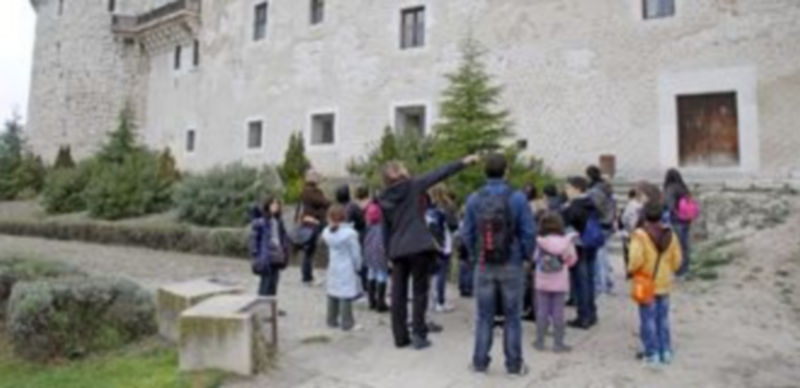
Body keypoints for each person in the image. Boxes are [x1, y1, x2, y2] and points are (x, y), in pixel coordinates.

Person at [379, 154, 479, 350]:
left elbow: (385, 229)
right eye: (402, 167)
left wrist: (388, 254)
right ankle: (419, 334)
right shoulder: (412, 186)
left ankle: (400, 337)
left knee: (398, 294)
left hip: (398, 249)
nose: (406, 169)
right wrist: (463, 161)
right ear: (396, 173)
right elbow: (439, 173)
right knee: (419, 292)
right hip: (418, 245)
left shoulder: (383, 198)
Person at [463, 153, 536, 375]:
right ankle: (514, 366)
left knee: (484, 316)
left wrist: (475, 256)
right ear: (507, 171)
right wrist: (525, 256)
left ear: (484, 172)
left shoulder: (474, 198)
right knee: (513, 317)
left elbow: (466, 233)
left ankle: (479, 363)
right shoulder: (518, 198)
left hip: (484, 263)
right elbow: (529, 232)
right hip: (511, 263)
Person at [627, 201, 683, 365]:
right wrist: (669, 268)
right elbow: (677, 260)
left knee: (648, 319)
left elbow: (636, 259)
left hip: (645, 281)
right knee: (663, 318)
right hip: (664, 282)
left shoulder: (640, 235)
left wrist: (631, 269)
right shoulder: (670, 234)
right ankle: (665, 350)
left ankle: (652, 352)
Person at [532, 212, 578, 353]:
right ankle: (558, 343)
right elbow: (573, 259)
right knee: (559, 312)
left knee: (542, 311)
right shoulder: (566, 242)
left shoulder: (540, 242)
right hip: (560, 280)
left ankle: (540, 341)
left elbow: (534, 258)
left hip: (543, 280)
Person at [561, 176, 599, 329]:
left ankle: (583, 316)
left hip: (578, 246)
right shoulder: (591, 202)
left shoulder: (574, 206)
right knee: (589, 280)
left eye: (568, 188)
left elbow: (565, 222)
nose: (566, 191)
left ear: (577, 189)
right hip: (592, 244)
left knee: (581, 282)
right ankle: (592, 312)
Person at [322, 205, 364, 331]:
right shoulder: (350, 234)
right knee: (346, 293)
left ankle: (331, 319)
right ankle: (347, 322)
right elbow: (355, 253)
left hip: (333, 265)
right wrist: (358, 266)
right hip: (346, 266)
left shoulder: (327, 233)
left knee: (332, 291)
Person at [427, 185, 459, 313]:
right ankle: (440, 302)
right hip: (443, 244)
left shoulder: (427, 208)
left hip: (428, 244)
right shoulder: (446, 208)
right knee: (441, 274)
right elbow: (453, 226)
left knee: (428, 275)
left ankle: (430, 301)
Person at [249, 197, 290, 298]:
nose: (275, 206)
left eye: (277, 204)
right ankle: (262, 306)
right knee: (265, 283)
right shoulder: (261, 222)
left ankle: (271, 306)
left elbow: (283, 238)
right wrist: (256, 255)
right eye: (273, 204)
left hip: (277, 256)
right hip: (266, 256)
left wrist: (285, 251)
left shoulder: (278, 221)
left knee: (273, 283)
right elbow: (254, 240)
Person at [586, 166, 616, 296]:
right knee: (604, 255)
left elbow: (596, 207)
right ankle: (608, 282)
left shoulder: (595, 191)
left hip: (600, 223)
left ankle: (601, 285)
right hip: (608, 223)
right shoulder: (607, 188)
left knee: (599, 256)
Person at [298, 170, 331, 285]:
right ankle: (307, 276)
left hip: (313, 222)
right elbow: (324, 202)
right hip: (313, 223)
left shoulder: (308, 191)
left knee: (310, 250)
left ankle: (307, 275)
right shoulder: (310, 192)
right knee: (309, 250)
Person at [663, 168, 692, 277]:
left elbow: (669, 204)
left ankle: (679, 270)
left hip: (677, 220)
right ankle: (686, 268)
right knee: (685, 245)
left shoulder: (670, 188)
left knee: (678, 246)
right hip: (687, 219)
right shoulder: (683, 187)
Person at [363, 200, 389, 312]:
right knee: (382, 274)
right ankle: (380, 302)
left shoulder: (368, 221)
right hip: (380, 248)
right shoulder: (383, 224)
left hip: (369, 247)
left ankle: (371, 301)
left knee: (371, 272)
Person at [620, 188, 644, 271]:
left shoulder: (629, 205)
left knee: (628, 251)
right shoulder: (641, 206)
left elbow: (624, 219)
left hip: (629, 232)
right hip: (639, 232)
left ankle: (630, 270)